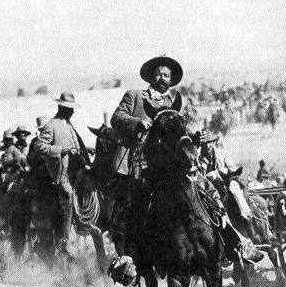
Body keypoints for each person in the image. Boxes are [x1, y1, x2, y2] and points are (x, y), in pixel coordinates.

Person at [110, 55, 262, 273]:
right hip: (142, 161)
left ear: (172, 80)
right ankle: (130, 259)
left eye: (167, 75)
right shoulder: (134, 96)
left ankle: (235, 242)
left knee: (209, 191)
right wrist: (137, 122)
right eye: (158, 74)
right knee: (138, 203)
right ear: (151, 76)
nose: (162, 78)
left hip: (171, 164)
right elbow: (117, 117)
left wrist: (195, 137)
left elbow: (179, 131)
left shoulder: (173, 103)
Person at [31, 92, 90, 258]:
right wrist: (59, 150)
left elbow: (74, 146)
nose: (72, 112)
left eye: (72, 109)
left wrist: (85, 151)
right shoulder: (52, 125)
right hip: (61, 172)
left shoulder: (69, 125)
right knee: (68, 196)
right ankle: (63, 240)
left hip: (75, 170)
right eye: (69, 109)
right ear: (61, 108)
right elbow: (40, 146)